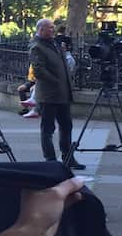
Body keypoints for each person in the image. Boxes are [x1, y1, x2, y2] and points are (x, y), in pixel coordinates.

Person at [29, 19, 85, 169]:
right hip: (48, 95)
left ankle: (68, 157)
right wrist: (56, 81)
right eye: (50, 28)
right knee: (48, 129)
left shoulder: (55, 44)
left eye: (53, 28)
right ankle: (50, 160)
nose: (53, 30)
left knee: (66, 126)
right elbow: (39, 70)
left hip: (62, 94)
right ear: (41, 29)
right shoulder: (37, 47)